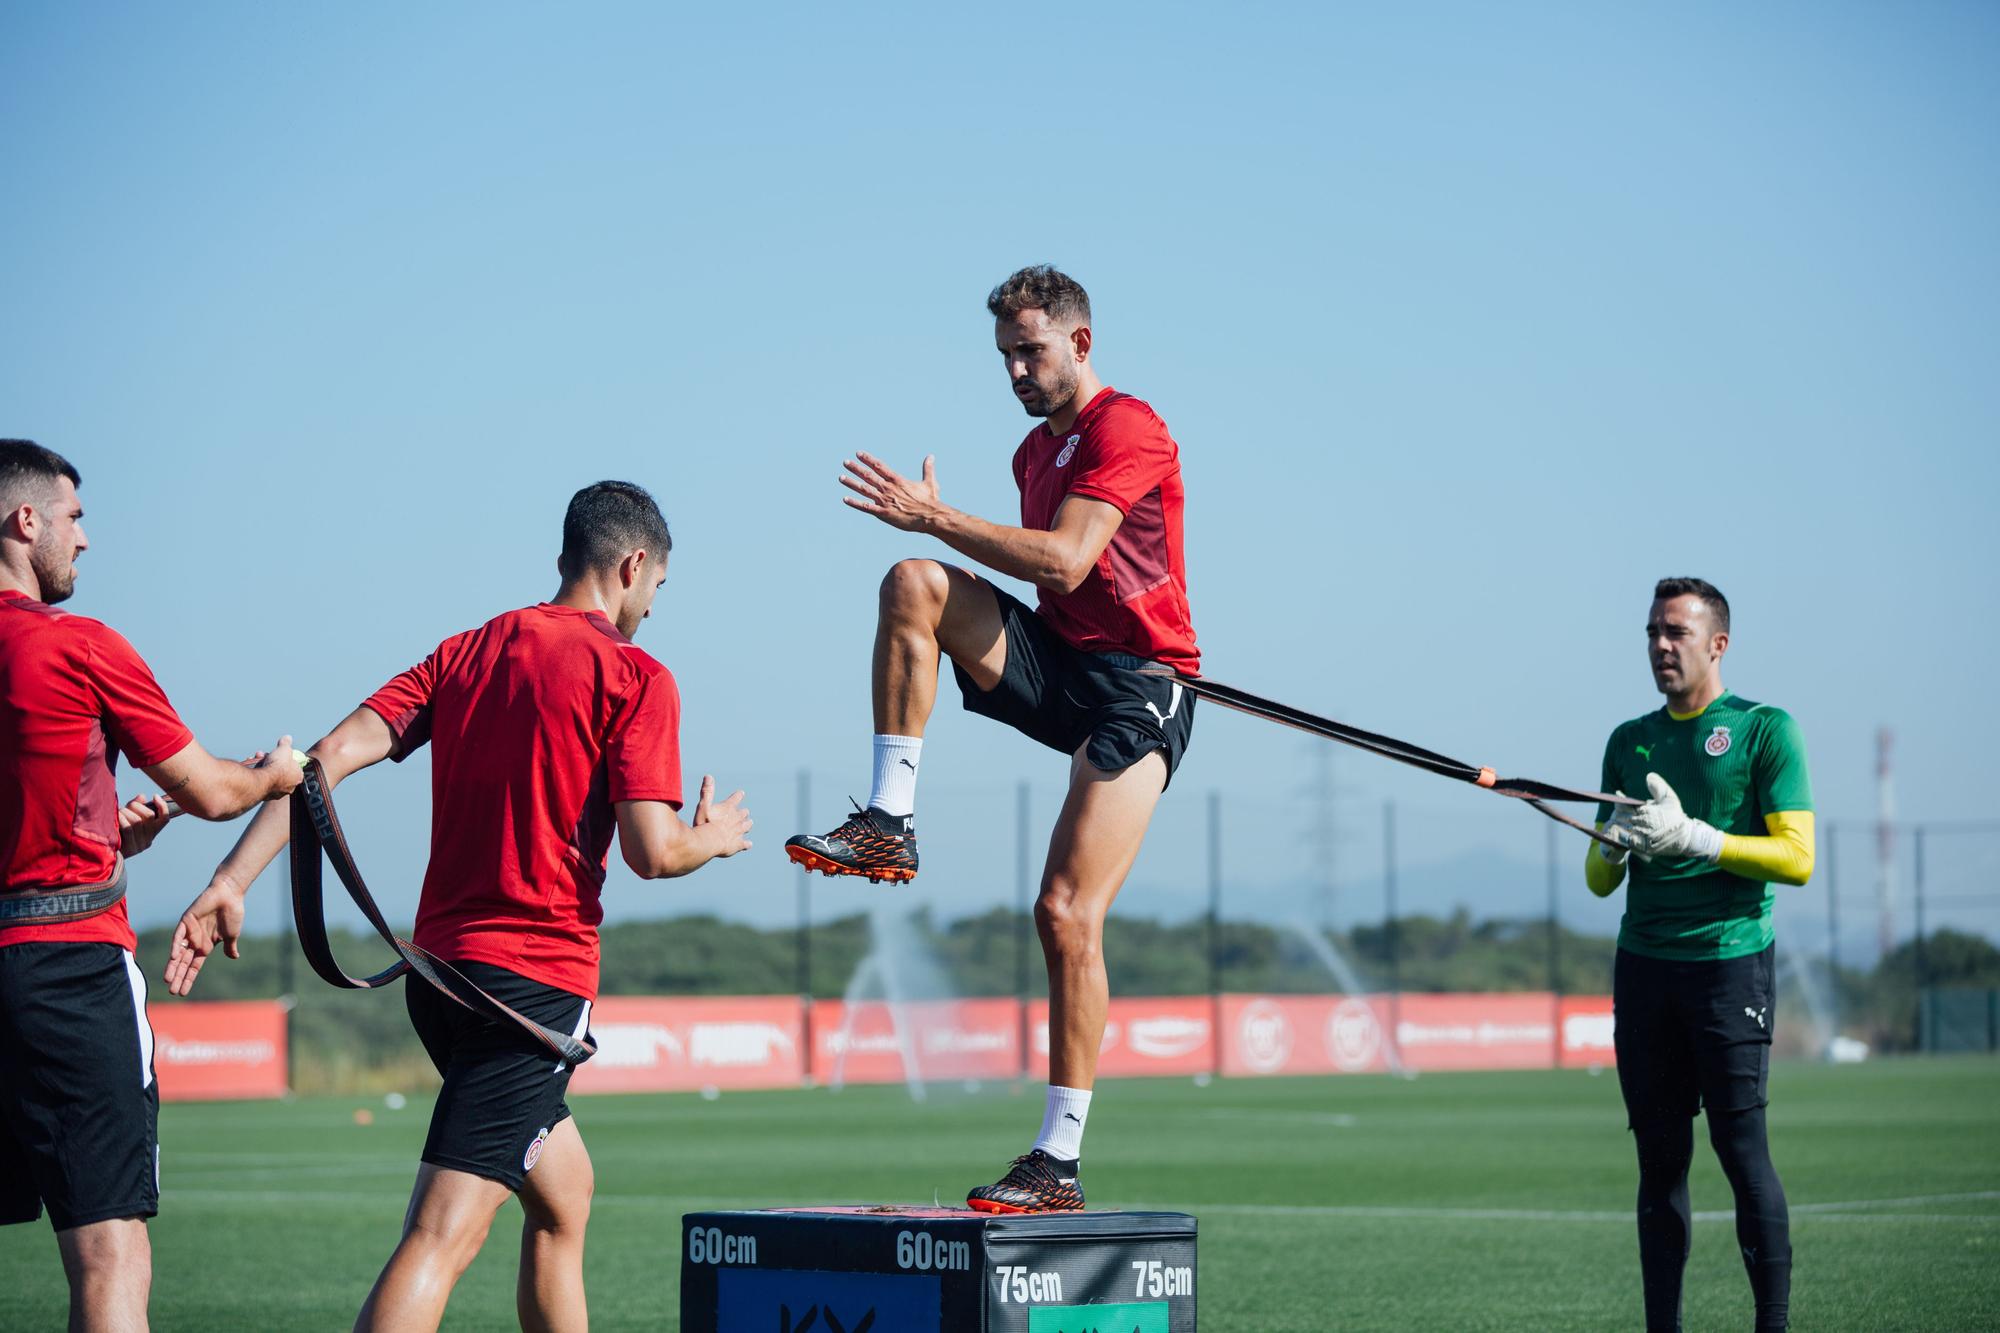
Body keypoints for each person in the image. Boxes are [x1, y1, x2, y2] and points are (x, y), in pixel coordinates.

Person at [170, 480, 752, 1332]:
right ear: (633, 566)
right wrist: (718, 835)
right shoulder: (636, 675)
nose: (652, 610)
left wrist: (231, 878)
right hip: (529, 990)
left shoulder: (470, 649)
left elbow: (323, 759)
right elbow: (653, 851)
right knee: (441, 1234)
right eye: (657, 589)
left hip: (438, 980)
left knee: (565, 1197)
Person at [785, 266, 1197, 1213]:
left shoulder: (1128, 427)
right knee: (913, 583)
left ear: (1080, 344)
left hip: (1140, 693)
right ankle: (890, 818)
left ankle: (1057, 1161)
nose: (1016, 369)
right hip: (1062, 664)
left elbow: (1065, 557)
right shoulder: (1029, 456)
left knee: (1064, 913)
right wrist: (934, 537)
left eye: (1032, 350)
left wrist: (937, 513)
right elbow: (1049, 587)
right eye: (1006, 354)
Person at [0, 438, 303, 1331]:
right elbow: (211, 789)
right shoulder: (81, 645)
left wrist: (108, 843)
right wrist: (274, 775)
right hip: (64, 972)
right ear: (26, 522)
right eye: (75, 518)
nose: (84, 540)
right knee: (110, 1253)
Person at [1589, 577, 1814, 1333]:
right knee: (1659, 1165)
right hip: (1645, 968)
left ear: (1717, 643)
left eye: (1675, 632)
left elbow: (1799, 856)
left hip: (1729, 965)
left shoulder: (1764, 729)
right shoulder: (1629, 740)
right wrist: (1615, 842)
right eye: (1652, 631)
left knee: (1742, 1152)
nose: (1659, 645)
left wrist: (1700, 839)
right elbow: (1597, 882)